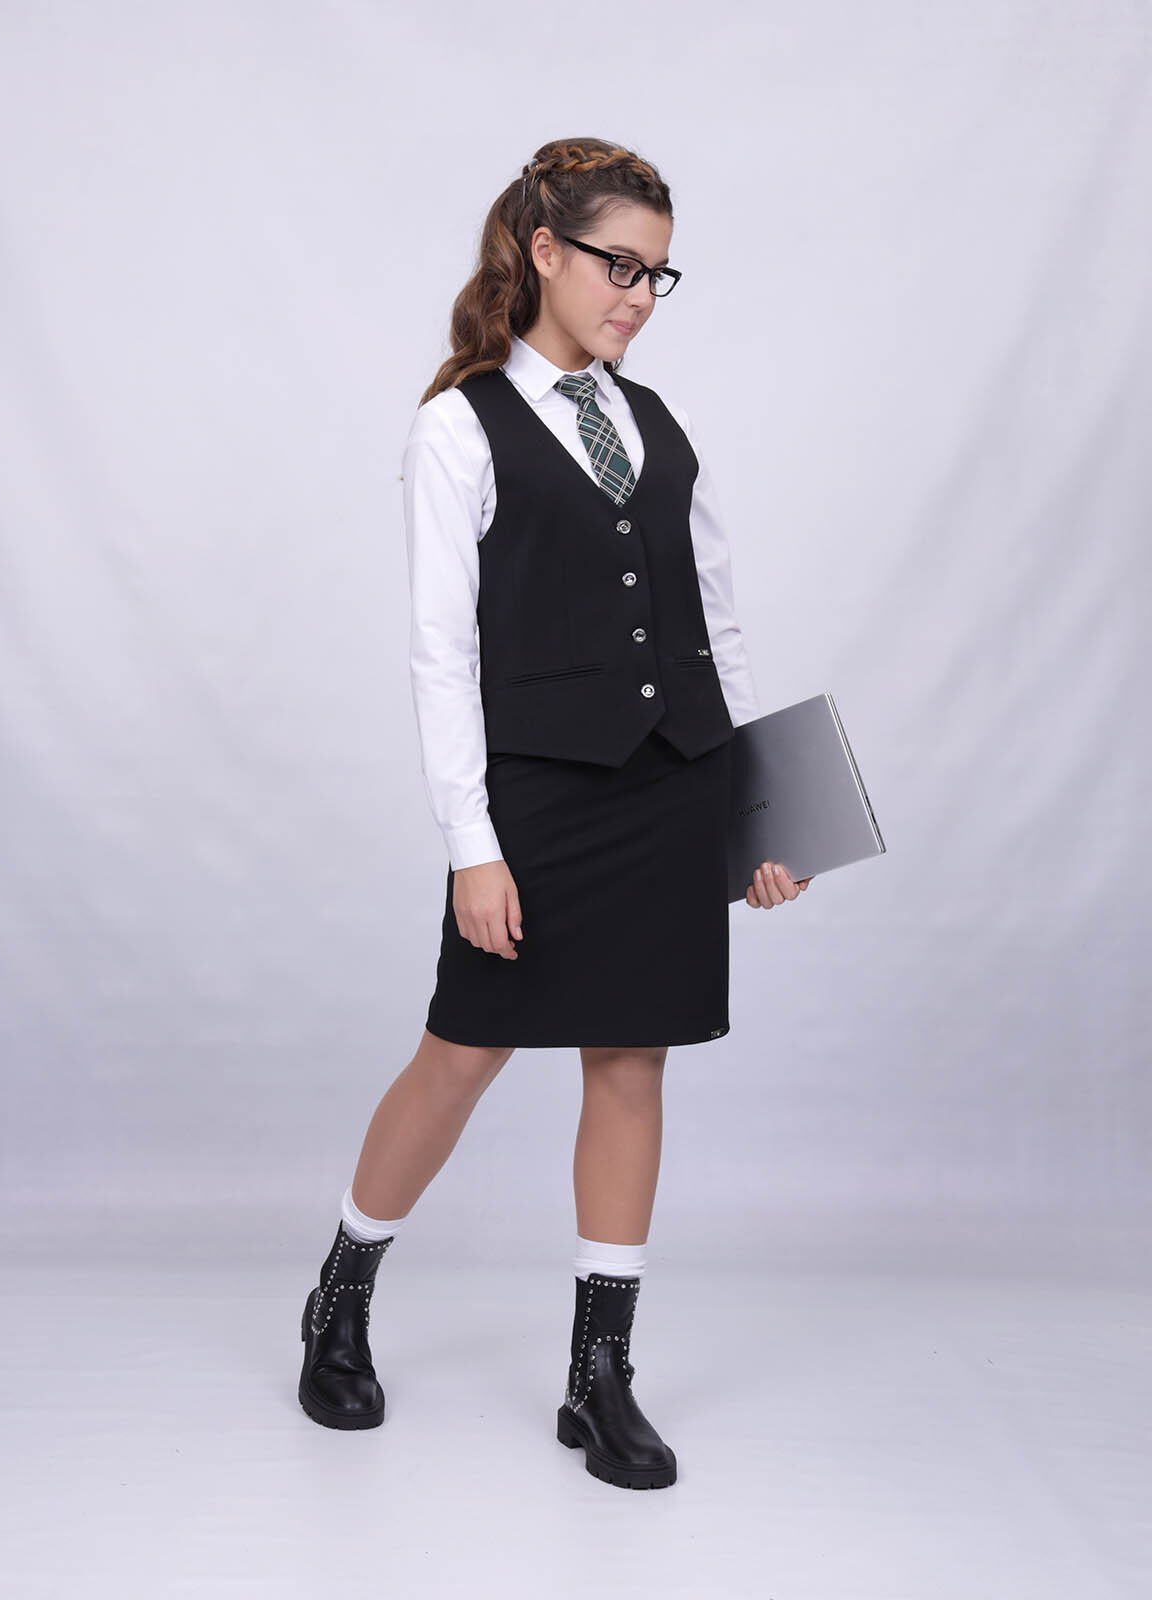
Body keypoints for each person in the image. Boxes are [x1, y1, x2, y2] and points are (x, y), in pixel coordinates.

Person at [297, 137, 811, 1491]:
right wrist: (473, 846)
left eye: (658, 274)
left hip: (672, 781)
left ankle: (601, 1377)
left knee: (631, 1064)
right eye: (617, 265)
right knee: (461, 1054)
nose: (639, 296)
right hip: (537, 796)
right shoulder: (458, 425)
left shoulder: (659, 423)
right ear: (543, 250)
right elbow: (439, 656)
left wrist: (762, 812)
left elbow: (717, 626)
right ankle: (341, 1292)